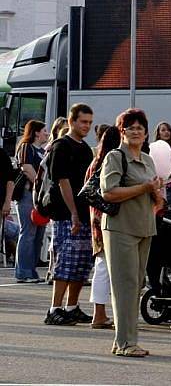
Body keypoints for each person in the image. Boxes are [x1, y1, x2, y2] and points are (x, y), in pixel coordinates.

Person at [100, 109, 161, 356]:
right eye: (130, 127)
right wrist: (144, 187)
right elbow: (109, 192)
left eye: (140, 128)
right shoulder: (115, 157)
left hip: (144, 227)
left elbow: (153, 193)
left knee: (136, 286)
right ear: (122, 131)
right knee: (125, 286)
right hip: (120, 228)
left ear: (146, 133)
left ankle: (123, 340)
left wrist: (156, 191)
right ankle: (126, 343)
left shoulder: (148, 160)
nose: (136, 131)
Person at [44, 104, 95, 326]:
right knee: (65, 260)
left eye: (90, 123)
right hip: (65, 213)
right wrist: (73, 212)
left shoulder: (84, 148)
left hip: (83, 212)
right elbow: (62, 181)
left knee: (81, 262)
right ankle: (54, 309)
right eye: (83, 122)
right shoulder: (61, 146)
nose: (87, 126)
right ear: (72, 121)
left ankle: (72, 306)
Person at [87, 127, 122, 329]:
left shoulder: (96, 162)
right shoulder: (111, 161)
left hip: (95, 217)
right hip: (108, 218)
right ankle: (99, 314)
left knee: (102, 266)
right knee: (105, 268)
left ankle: (99, 312)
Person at [14, 120, 47, 283]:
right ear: (36, 133)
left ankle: (31, 271)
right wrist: (40, 187)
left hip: (39, 196)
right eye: (44, 131)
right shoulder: (26, 147)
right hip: (28, 194)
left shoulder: (42, 150)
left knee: (38, 234)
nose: (47, 134)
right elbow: (26, 168)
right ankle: (23, 272)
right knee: (28, 232)